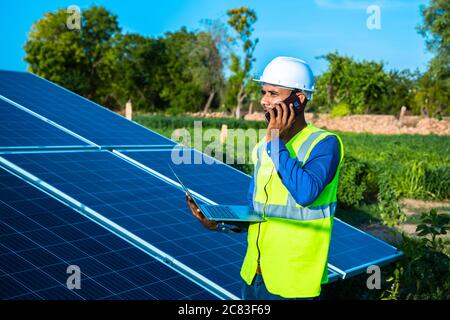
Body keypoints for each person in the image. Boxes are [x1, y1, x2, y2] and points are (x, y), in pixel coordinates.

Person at [186, 56, 344, 300]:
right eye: (263, 92)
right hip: (254, 275)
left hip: (293, 282)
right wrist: (218, 223)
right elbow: (256, 210)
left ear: (298, 100)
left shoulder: (324, 144)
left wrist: (275, 141)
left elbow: (305, 193)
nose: (264, 101)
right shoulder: (264, 145)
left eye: (273, 93)